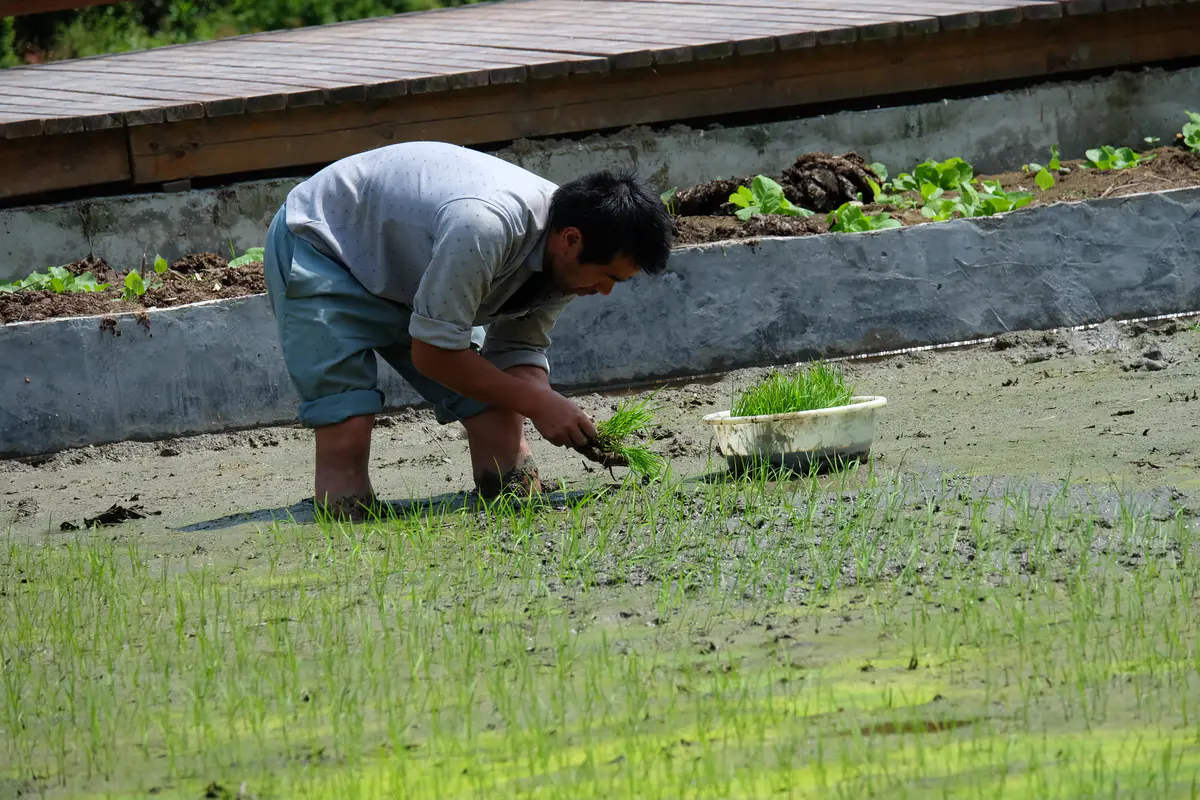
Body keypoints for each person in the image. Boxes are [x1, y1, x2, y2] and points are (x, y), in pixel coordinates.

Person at [262, 141, 674, 515]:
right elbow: (433, 354)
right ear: (570, 240)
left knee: (497, 416)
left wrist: (541, 399)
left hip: (414, 267)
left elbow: (518, 350)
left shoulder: (572, 257)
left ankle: (508, 493)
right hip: (330, 246)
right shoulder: (485, 227)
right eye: (607, 277)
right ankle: (345, 521)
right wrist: (541, 404)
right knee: (346, 427)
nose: (604, 291)